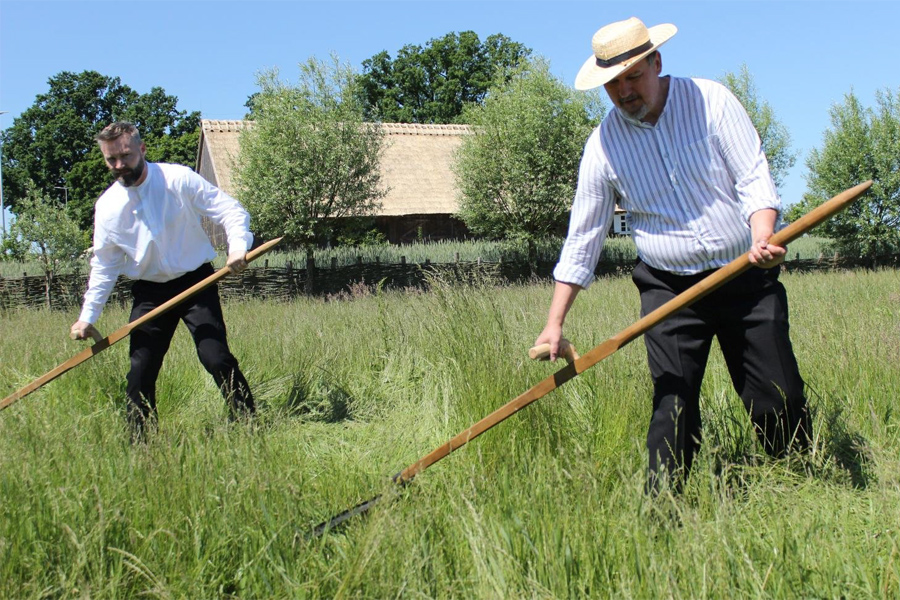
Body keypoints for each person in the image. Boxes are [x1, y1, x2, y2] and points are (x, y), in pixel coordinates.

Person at [535, 17, 810, 491]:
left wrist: (763, 236)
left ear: (656, 62)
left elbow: (753, 178)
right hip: (669, 288)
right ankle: (664, 510)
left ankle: (802, 484)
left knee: (775, 395)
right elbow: (583, 238)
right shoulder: (602, 147)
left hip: (744, 273)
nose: (624, 91)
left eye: (633, 76)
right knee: (672, 407)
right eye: (613, 83)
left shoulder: (711, 101)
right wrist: (554, 324)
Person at [70, 121, 256, 438]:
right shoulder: (108, 207)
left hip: (196, 284)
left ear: (142, 149)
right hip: (150, 294)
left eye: (125, 156)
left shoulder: (177, 179)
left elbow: (230, 210)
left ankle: (249, 425)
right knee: (140, 369)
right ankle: (141, 443)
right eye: (111, 159)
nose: (119, 165)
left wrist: (238, 247)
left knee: (215, 357)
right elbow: (104, 265)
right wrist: (87, 317)